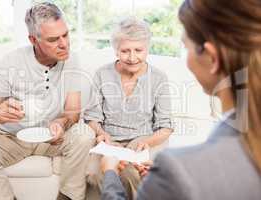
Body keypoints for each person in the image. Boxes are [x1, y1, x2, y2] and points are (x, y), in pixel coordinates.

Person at [100, 0, 261, 199]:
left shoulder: (177, 170)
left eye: (186, 47)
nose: (132, 57)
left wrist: (109, 174)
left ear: (212, 58)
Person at [0, 2, 95, 200]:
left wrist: (61, 122)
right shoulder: (11, 62)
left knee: (84, 136)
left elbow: (72, 112)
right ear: (34, 39)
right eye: (53, 39)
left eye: (65, 35)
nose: (64, 44)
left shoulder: (71, 59)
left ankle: (68, 197)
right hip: (14, 137)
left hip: (52, 137)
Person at [84, 17, 173, 200]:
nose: (132, 58)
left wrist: (148, 141)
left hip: (140, 140)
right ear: (116, 50)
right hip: (108, 141)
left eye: (138, 50)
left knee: (131, 175)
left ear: (147, 49)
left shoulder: (159, 78)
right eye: (125, 51)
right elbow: (92, 117)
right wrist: (101, 133)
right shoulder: (102, 74)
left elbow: (165, 126)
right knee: (94, 173)